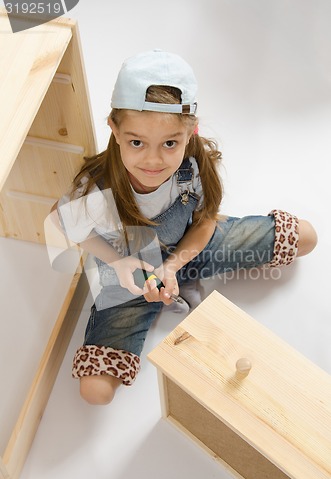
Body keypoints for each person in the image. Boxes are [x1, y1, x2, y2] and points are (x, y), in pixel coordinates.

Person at [51, 49, 317, 405]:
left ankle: (180, 281)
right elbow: (61, 219)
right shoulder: (98, 186)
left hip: (189, 249)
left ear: (191, 132)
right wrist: (118, 263)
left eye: (170, 143)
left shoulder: (193, 166)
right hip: (130, 270)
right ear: (114, 130)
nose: (152, 159)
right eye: (136, 142)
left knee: (305, 237)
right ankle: (164, 291)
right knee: (95, 392)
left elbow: (205, 221)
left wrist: (173, 266)